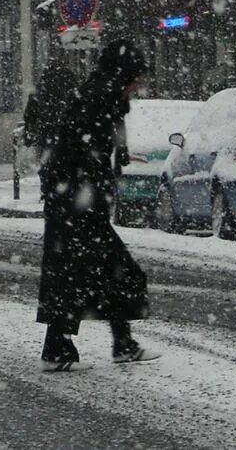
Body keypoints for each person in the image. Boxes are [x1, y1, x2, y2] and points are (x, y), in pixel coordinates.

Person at [36, 38, 159, 371]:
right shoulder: (100, 98)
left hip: (74, 203)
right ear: (125, 73)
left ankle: (95, 345)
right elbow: (81, 153)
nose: (139, 84)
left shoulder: (102, 95)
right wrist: (90, 192)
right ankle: (69, 348)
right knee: (110, 273)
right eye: (137, 77)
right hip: (78, 205)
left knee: (90, 274)